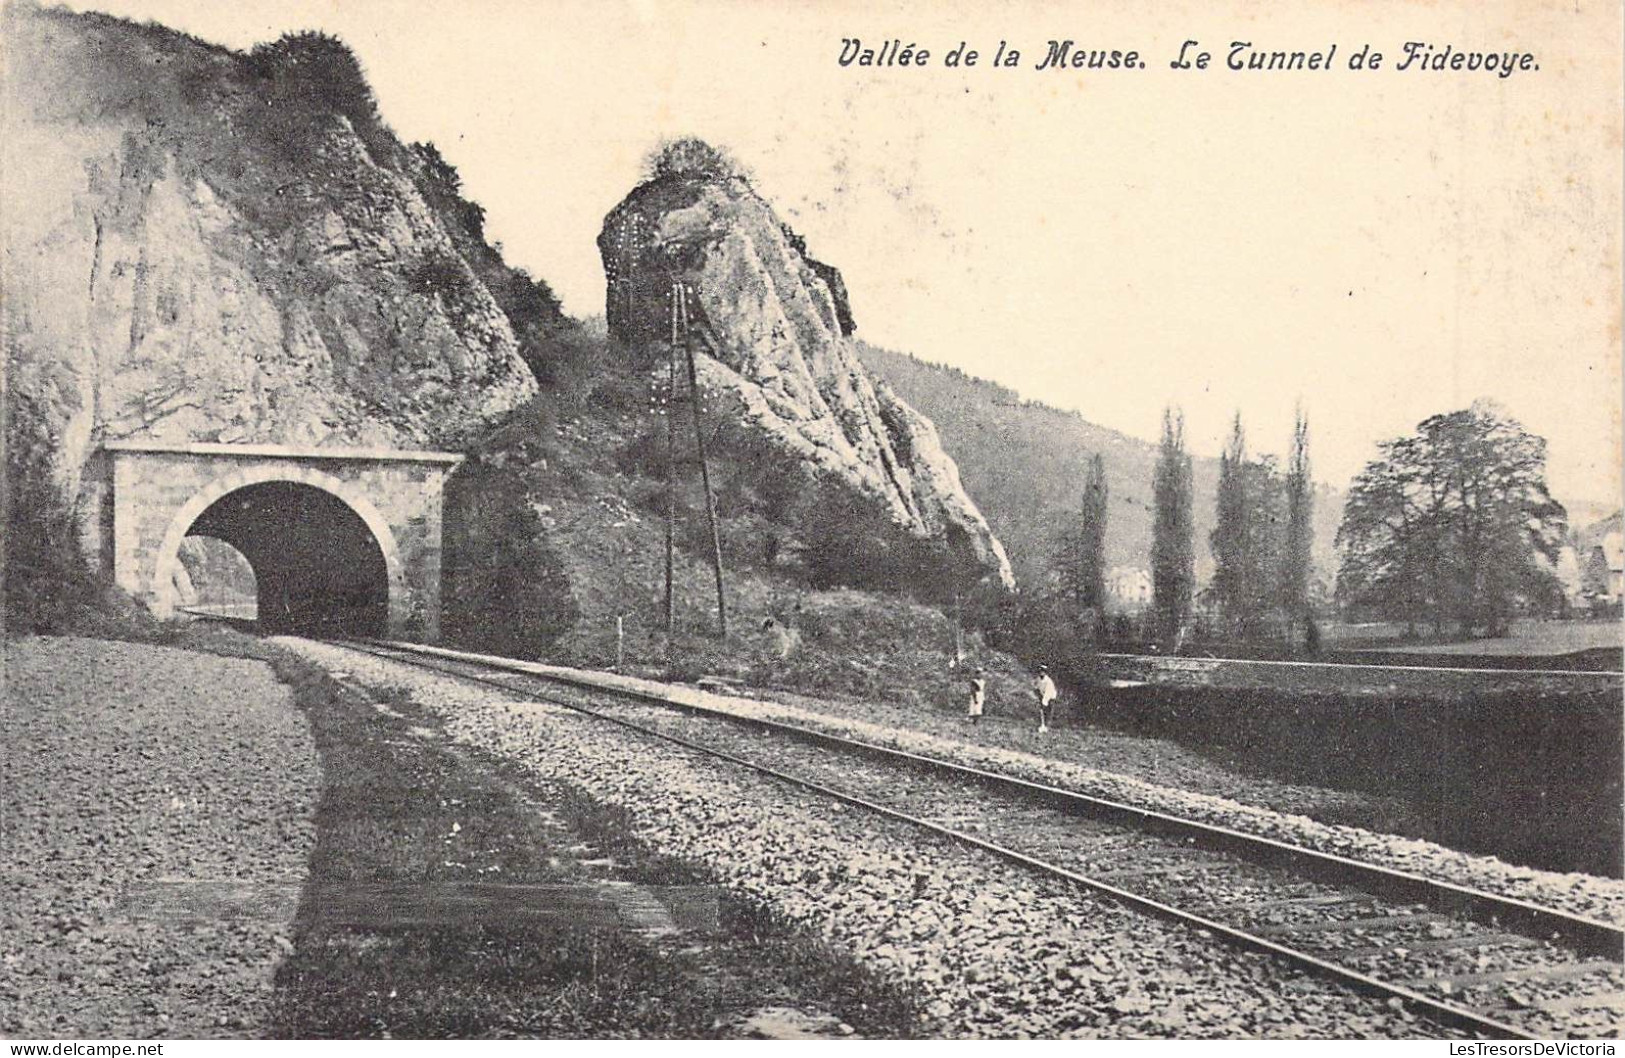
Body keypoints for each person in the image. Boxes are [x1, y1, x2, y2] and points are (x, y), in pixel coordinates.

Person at [1034, 665, 1058, 733]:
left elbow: (1048, 693)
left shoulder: (1048, 681)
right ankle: (1042, 725)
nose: (1041, 673)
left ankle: (1047, 727)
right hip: (1043, 695)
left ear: (1045, 673)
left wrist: (1044, 701)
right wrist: (1037, 694)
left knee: (1049, 712)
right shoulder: (1038, 679)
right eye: (1040, 671)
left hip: (1050, 697)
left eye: (1043, 672)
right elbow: (1036, 687)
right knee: (1042, 712)